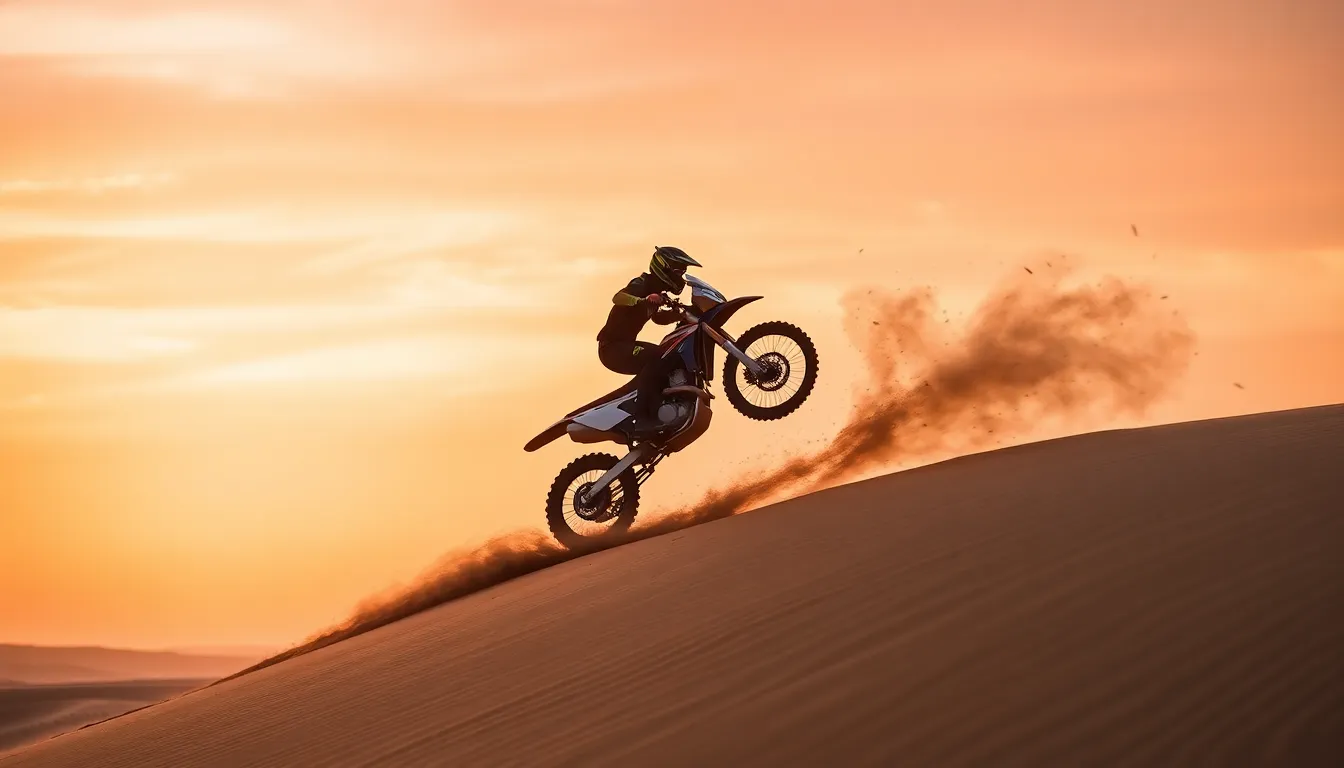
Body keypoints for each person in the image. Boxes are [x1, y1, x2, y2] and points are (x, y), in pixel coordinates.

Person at [596, 245, 702, 436]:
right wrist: (642, 300)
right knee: (657, 359)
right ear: (664, 267)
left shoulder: (658, 293)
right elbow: (617, 298)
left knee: (671, 358)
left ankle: (666, 412)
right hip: (612, 348)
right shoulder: (642, 283)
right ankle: (644, 419)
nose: (681, 276)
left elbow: (657, 318)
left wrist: (681, 315)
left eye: (683, 272)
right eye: (679, 271)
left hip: (624, 346)